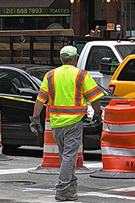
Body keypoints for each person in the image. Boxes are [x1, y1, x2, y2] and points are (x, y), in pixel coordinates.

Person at [31, 45, 107, 201]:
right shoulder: (81, 75)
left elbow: (40, 99)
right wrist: (98, 115)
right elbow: (94, 98)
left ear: (61, 59)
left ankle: (70, 189)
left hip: (56, 123)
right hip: (73, 122)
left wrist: (35, 118)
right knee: (69, 157)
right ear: (75, 58)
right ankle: (63, 189)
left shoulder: (50, 75)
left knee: (65, 156)